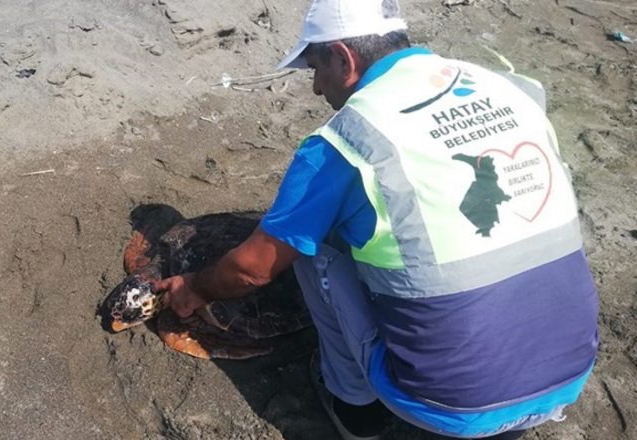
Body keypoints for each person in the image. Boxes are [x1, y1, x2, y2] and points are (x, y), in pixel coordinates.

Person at [153, 0, 599, 439]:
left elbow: (253, 268)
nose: (315, 88)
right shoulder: (511, 89)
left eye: (315, 68)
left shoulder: (350, 138)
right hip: (568, 375)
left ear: (343, 58)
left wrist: (193, 289)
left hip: (451, 403)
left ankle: (354, 406)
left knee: (310, 239)